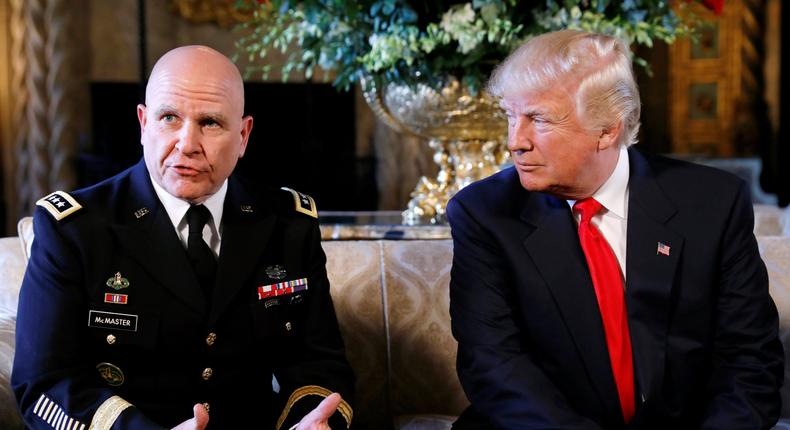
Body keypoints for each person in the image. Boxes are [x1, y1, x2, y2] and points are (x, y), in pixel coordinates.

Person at [448, 30, 783, 429]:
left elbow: (749, 362)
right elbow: (495, 368)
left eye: (538, 119)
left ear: (607, 129)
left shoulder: (712, 204)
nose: (515, 142)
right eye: (510, 116)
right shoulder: (484, 213)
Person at [12, 45, 354, 430]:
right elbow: (43, 383)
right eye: (169, 118)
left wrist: (311, 423)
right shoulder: (73, 230)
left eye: (209, 122)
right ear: (144, 125)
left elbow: (319, 363)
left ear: (243, 136)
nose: (187, 144)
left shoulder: (288, 224)